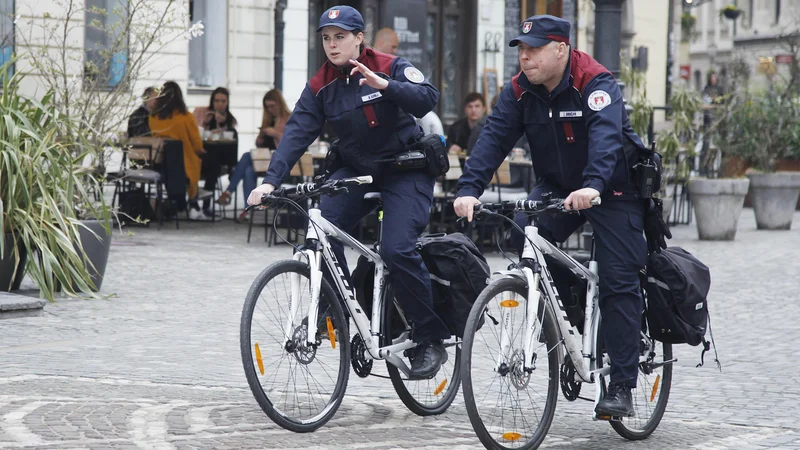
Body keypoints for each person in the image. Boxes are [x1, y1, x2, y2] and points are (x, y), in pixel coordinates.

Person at [453, 15, 670, 417]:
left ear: (560, 49)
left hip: (612, 188)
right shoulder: (520, 90)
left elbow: (606, 139)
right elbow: (494, 137)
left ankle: (621, 383)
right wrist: (468, 189)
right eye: (520, 48)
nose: (524, 56)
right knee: (525, 233)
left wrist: (593, 186)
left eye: (533, 49)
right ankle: (574, 317)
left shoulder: (595, 81)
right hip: (557, 186)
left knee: (617, 276)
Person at [247, 5, 449, 380]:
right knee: (319, 227)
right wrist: (269, 182)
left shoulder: (388, 65)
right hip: (358, 171)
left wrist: (385, 85)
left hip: (406, 169)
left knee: (395, 248)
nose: (332, 44)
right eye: (326, 38)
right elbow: (296, 132)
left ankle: (430, 337)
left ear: (359, 38)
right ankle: (337, 308)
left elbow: (427, 97)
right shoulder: (321, 83)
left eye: (340, 37)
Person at [216, 89, 292, 221]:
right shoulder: (268, 120)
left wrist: (275, 133)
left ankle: (229, 192)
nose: (270, 110)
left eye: (272, 106)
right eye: (267, 107)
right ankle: (248, 207)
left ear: (280, 104)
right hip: (263, 160)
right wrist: (263, 134)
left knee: (246, 157)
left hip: (280, 163)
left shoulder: (289, 119)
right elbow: (259, 144)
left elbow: (290, 145)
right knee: (248, 170)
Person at [148, 81, 208, 221]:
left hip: (160, 165)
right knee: (208, 165)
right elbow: (197, 144)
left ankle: (180, 204)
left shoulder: (153, 117)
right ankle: (195, 204)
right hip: (185, 165)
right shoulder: (186, 117)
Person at [199, 87, 239, 217]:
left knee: (233, 134)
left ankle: (232, 166)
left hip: (220, 156)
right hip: (202, 154)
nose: (219, 104)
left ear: (227, 102)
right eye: (217, 101)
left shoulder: (229, 119)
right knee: (213, 164)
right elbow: (196, 134)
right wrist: (206, 123)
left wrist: (222, 127)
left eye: (223, 101)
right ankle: (232, 168)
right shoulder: (203, 113)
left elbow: (231, 140)